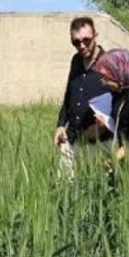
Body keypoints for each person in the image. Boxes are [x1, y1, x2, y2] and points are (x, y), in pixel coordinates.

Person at [52, 16, 113, 178]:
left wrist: (105, 125)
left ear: (95, 35)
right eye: (76, 42)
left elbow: (122, 101)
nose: (82, 45)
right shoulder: (76, 61)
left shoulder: (110, 63)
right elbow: (69, 95)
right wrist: (60, 124)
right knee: (64, 189)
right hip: (72, 139)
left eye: (86, 40)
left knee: (99, 191)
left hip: (99, 142)